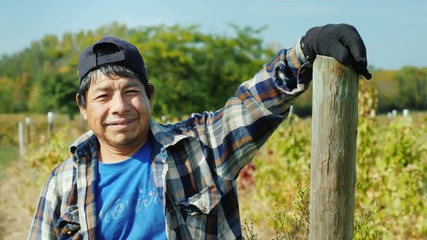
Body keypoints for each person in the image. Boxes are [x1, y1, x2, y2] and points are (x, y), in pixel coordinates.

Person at [28, 23, 371, 239]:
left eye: (130, 91)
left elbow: (252, 105)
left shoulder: (198, 147)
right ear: (83, 106)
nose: (119, 106)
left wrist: (306, 49)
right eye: (103, 96)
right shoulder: (63, 183)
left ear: (149, 95)